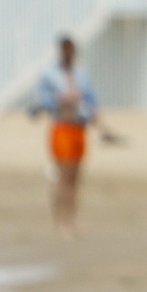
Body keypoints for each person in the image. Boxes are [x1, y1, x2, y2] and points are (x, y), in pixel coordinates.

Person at [28, 36, 97, 237]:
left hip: (79, 126)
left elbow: (90, 98)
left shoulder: (81, 73)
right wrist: (60, 100)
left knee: (76, 176)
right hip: (62, 125)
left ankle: (74, 218)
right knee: (63, 175)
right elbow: (39, 100)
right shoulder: (50, 74)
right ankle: (60, 221)